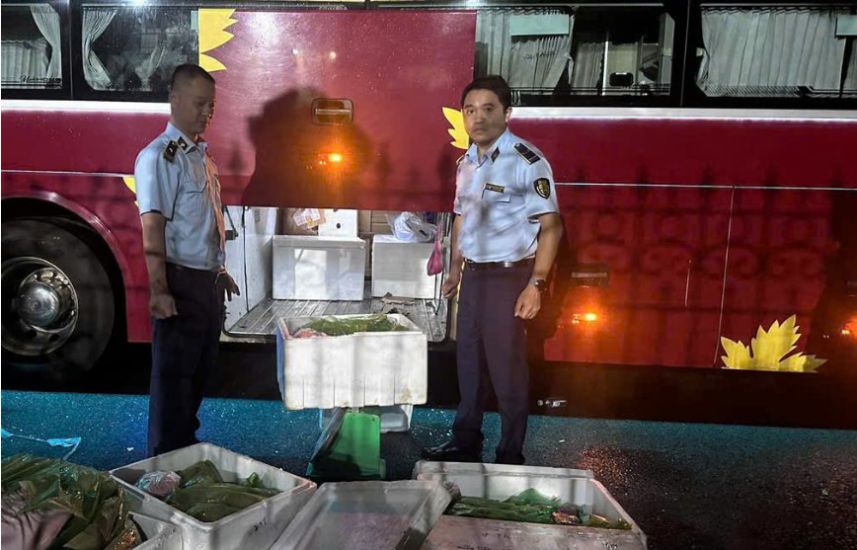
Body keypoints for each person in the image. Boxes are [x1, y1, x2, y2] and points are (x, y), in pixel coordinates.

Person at [422, 75, 563, 465]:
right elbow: (461, 217)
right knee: (467, 362)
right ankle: (465, 441)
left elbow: (552, 227)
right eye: (470, 110)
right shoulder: (466, 162)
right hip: (474, 276)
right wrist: (455, 269)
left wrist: (536, 284)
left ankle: (509, 452)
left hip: (508, 277)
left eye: (488, 109)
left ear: (507, 113)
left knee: (507, 369)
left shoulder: (526, 161)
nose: (478, 118)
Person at [135, 64, 239, 456]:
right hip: (180, 284)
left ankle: (183, 449)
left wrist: (220, 270)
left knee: (197, 376)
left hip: (206, 284)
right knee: (173, 381)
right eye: (198, 103)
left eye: (211, 105)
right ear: (174, 99)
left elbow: (202, 224)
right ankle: (164, 461)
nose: (206, 112)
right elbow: (153, 226)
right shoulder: (161, 157)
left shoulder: (200, 156)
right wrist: (159, 290)